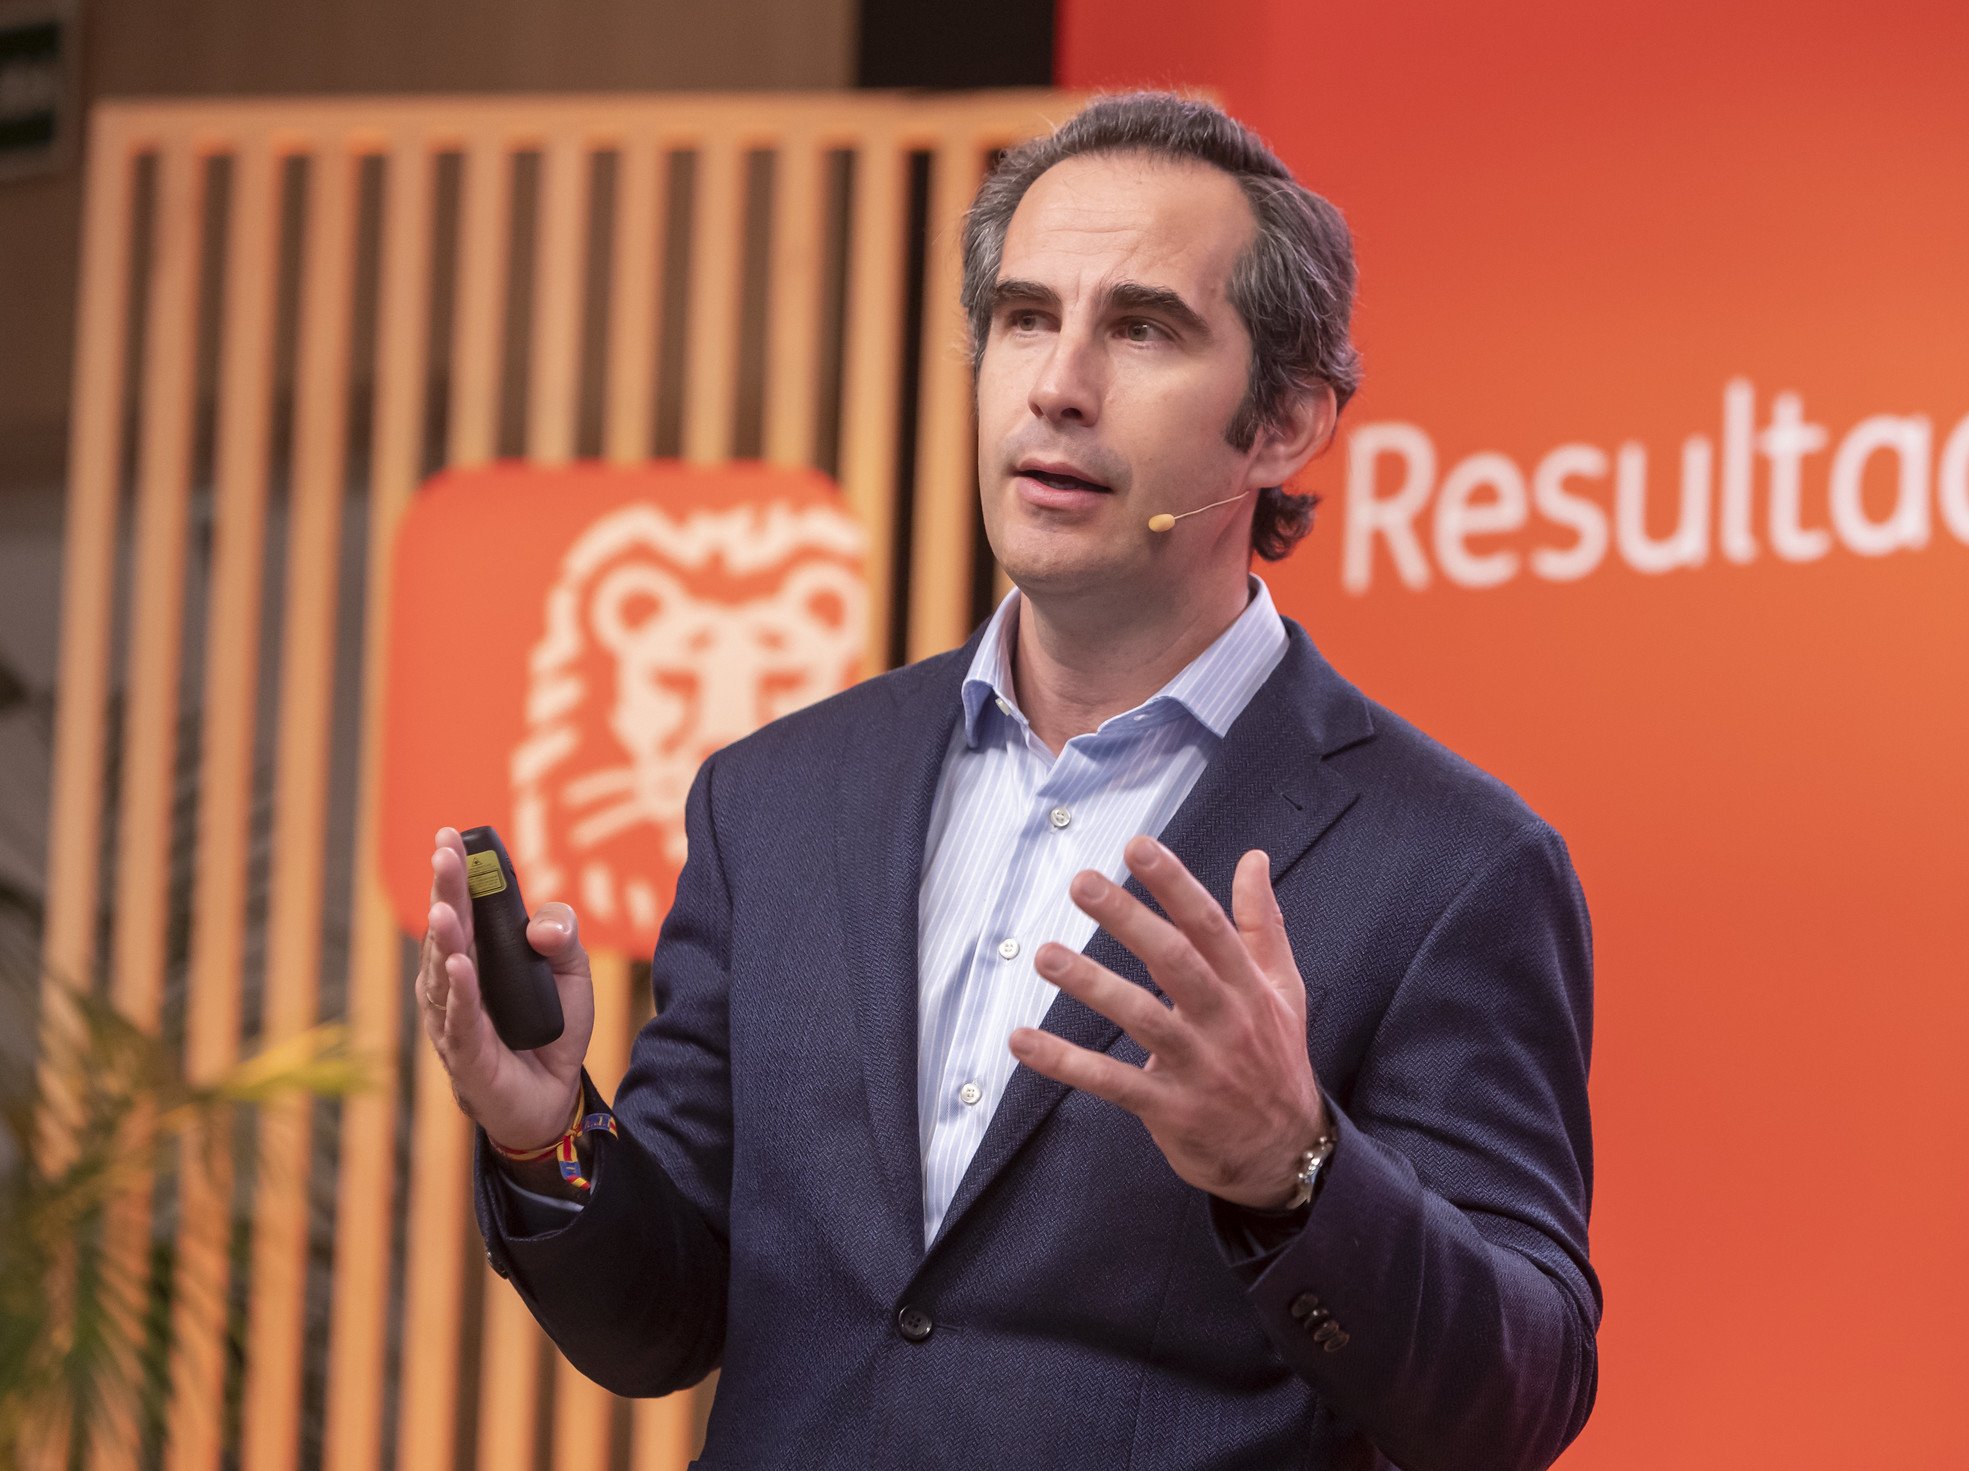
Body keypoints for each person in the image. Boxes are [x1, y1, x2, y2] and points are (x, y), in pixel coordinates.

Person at [415, 92, 1597, 1470]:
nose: (1058, 384)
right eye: (1026, 318)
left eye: (1141, 330)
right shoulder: (777, 801)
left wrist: (1297, 1167)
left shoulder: (1453, 866)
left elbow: (1518, 1400)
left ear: (1286, 423)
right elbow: (663, 1325)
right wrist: (547, 1133)